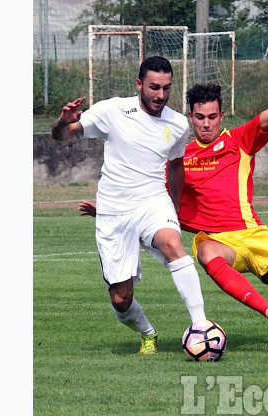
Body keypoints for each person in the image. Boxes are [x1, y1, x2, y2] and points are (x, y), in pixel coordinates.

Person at [52, 56, 207, 355]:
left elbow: (176, 165)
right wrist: (63, 121)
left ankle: (200, 326)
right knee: (121, 300)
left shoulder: (177, 124)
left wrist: (173, 207)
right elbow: (61, 137)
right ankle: (147, 332)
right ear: (139, 84)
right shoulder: (113, 110)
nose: (160, 95)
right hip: (113, 212)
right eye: (153, 87)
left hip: (152, 203)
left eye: (166, 88)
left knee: (172, 243)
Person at [178, 60, 268, 343]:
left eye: (211, 116)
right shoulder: (180, 158)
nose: (206, 124)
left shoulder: (239, 140)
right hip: (218, 241)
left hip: (254, 235)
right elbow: (153, 195)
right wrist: (111, 210)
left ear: (221, 115)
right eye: (199, 117)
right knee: (206, 252)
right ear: (191, 117)